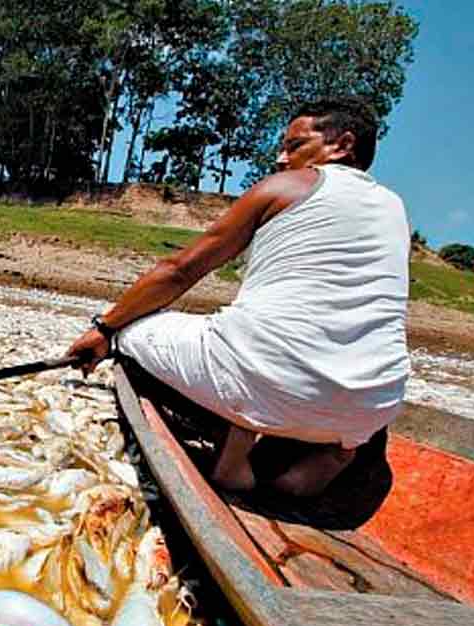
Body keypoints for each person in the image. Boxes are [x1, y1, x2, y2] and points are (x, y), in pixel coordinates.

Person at [67, 97, 410, 498]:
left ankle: (235, 460)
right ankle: (334, 458)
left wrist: (105, 328)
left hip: (267, 378)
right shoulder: (394, 208)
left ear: (342, 145)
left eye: (294, 145)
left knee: (134, 330)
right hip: (372, 404)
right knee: (321, 360)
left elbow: (182, 270)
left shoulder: (286, 186)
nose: (282, 159)